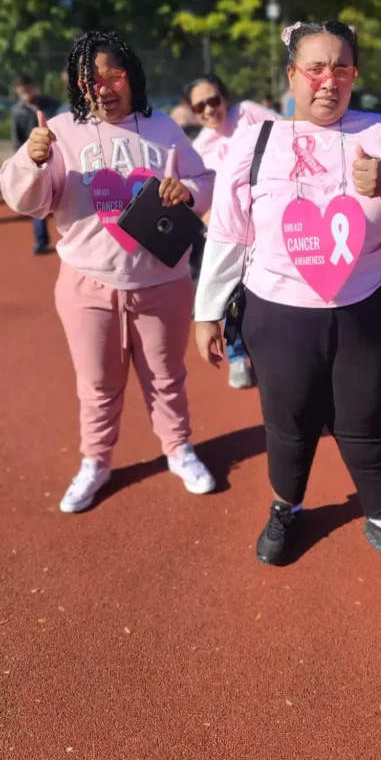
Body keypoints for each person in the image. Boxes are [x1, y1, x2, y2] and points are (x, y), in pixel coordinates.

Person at [194, 20, 381, 582]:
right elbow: (229, 231)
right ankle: (287, 509)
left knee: (367, 419)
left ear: (354, 74)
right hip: (278, 311)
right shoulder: (258, 140)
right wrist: (207, 310)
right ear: (293, 75)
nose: (327, 80)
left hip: (369, 306)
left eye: (341, 67)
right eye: (314, 67)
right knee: (288, 421)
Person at [1, 30, 215, 512]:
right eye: (89, 79)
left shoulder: (162, 128)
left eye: (112, 74)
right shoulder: (58, 132)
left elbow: (205, 181)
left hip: (163, 283)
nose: (103, 87)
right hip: (86, 287)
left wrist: (190, 193)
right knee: (97, 387)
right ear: (77, 85)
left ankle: (178, 449)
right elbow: (26, 201)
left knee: (167, 377)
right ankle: (95, 462)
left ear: (131, 75)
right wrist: (34, 160)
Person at [185, 73, 279, 389]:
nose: (210, 110)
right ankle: (238, 356)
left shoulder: (250, 113)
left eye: (214, 100)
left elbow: (286, 134)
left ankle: (277, 355)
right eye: (200, 107)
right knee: (232, 295)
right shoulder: (199, 147)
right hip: (232, 233)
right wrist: (209, 216)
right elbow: (201, 193)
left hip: (270, 222)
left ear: (225, 97)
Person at [11, 74, 58, 254]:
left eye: (28, 89)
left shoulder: (50, 104)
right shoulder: (18, 113)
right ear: (17, 92)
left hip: (59, 156)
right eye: (22, 91)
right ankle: (41, 242)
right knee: (38, 202)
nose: (26, 93)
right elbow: (17, 142)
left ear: (35, 86)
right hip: (36, 163)